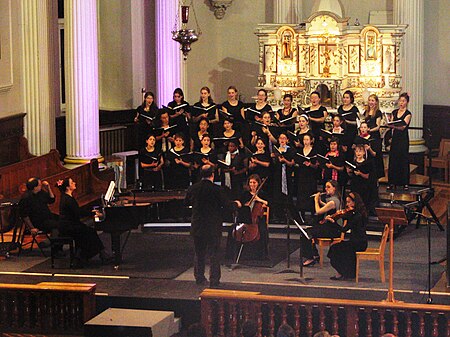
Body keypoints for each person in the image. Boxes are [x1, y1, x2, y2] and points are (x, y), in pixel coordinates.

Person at [184, 165, 237, 287]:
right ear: (212, 175)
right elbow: (227, 205)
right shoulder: (217, 189)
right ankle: (214, 281)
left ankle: (199, 278)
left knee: (199, 253)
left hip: (198, 225)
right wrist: (236, 204)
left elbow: (186, 203)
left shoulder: (193, 188)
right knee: (214, 254)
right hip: (213, 226)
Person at [57, 178, 110, 266]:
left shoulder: (67, 197)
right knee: (90, 232)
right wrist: (93, 213)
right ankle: (85, 256)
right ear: (67, 187)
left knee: (89, 231)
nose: (74, 183)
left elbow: (76, 211)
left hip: (70, 224)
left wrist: (91, 212)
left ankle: (96, 254)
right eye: (72, 182)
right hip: (68, 227)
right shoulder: (68, 199)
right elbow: (77, 213)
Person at [301, 180, 342, 267]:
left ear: (334, 188)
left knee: (305, 233)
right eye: (325, 187)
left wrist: (316, 200)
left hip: (332, 229)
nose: (326, 189)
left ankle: (310, 257)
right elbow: (327, 208)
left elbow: (319, 211)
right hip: (331, 227)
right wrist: (320, 202)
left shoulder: (333, 201)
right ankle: (314, 254)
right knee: (307, 231)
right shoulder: (335, 199)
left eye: (328, 187)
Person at [328, 192, 368, 280]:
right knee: (337, 247)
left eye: (349, 202)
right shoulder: (357, 213)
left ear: (354, 202)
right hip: (357, 241)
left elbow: (344, 229)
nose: (347, 205)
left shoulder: (357, 216)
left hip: (358, 243)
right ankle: (345, 272)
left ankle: (343, 272)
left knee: (336, 247)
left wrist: (334, 222)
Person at [232, 174, 270, 260]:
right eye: (250, 182)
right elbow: (240, 203)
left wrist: (258, 199)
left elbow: (268, 203)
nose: (252, 184)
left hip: (257, 220)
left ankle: (260, 255)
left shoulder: (262, 193)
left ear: (258, 183)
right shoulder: (245, 193)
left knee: (262, 230)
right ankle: (237, 254)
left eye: (254, 182)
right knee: (233, 229)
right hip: (245, 218)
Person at [18, 177, 60, 249]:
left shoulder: (40, 193)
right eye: (40, 185)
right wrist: (32, 228)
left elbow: (51, 200)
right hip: (38, 222)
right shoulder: (26, 198)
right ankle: (56, 249)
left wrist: (48, 188)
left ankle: (50, 242)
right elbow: (24, 215)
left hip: (47, 217)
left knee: (64, 220)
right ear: (35, 187)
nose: (41, 186)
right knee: (57, 226)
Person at [387, 92, 412, 191]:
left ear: (407, 102)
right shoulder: (394, 112)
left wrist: (394, 125)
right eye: (400, 101)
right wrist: (391, 124)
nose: (401, 103)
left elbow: (403, 127)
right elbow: (392, 123)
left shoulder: (408, 113)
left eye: (403, 101)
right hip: (395, 138)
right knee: (393, 159)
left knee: (403, 159)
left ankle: (405, 182)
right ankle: (392, 182)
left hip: (403, 139)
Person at [295, 133, 319, 217]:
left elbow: (316, 166)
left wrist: (310, 165)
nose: (305, 141)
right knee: (301, 193)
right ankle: (302, 214)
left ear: (311, 140)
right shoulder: (300, 151)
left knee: (310, 193)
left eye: (307, 140)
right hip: (302, 174)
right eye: (304, 140)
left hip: (311, 175)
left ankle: (312, 214)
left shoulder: (314, 151)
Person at [364, 94, 385, 179]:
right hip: (367, 136)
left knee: (375, 156)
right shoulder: (366, 112)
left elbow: (378, 126)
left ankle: (377, 176)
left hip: (375, 136)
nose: (371, 102)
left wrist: (369, 130)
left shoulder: (378, 112)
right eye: (369, 100)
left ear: (376, 102)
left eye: (372, 100)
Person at [338, 90, 359, 160]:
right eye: (344, 97)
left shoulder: (354, 109)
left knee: (349, 154)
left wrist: (346, 121)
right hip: (342, 133)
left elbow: (357, 123)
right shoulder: (340, 108)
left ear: (351, 99)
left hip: (351, 134)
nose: (345, 99)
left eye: (347, 98)